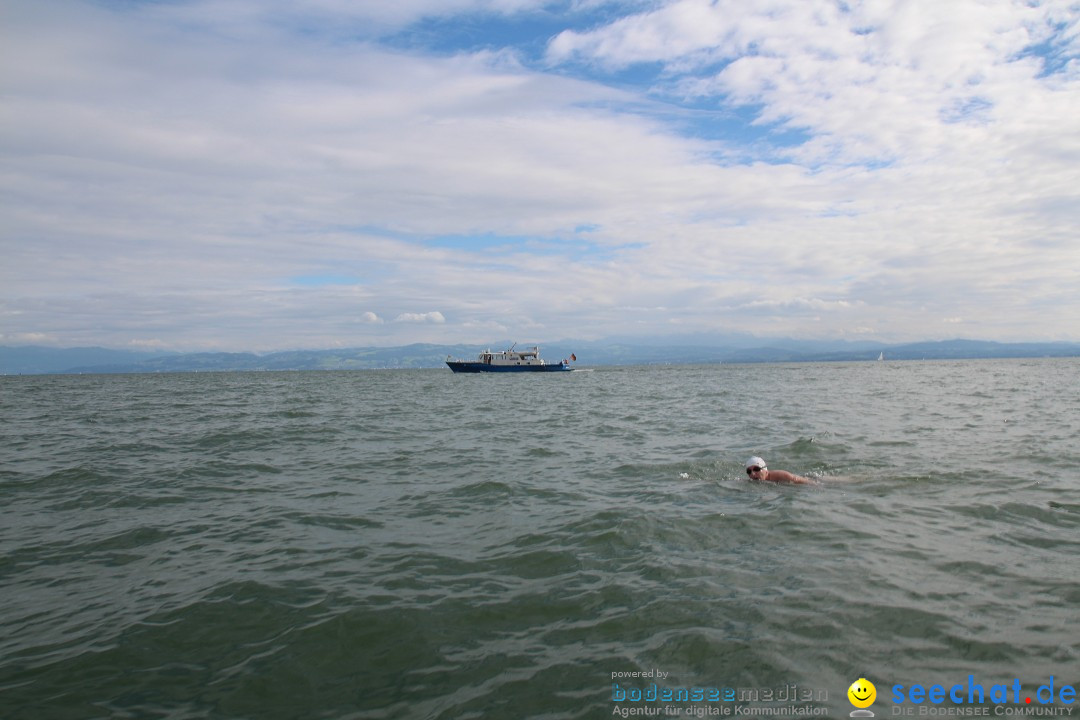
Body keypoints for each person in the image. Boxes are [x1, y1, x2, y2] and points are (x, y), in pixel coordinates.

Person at [745, 456, 815, 485]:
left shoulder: (781, 475)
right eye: (749, 471)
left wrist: (818, 486)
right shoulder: (752, 482)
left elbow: (808, 482)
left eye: (756, 469)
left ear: (765, 470)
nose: (753, 474)